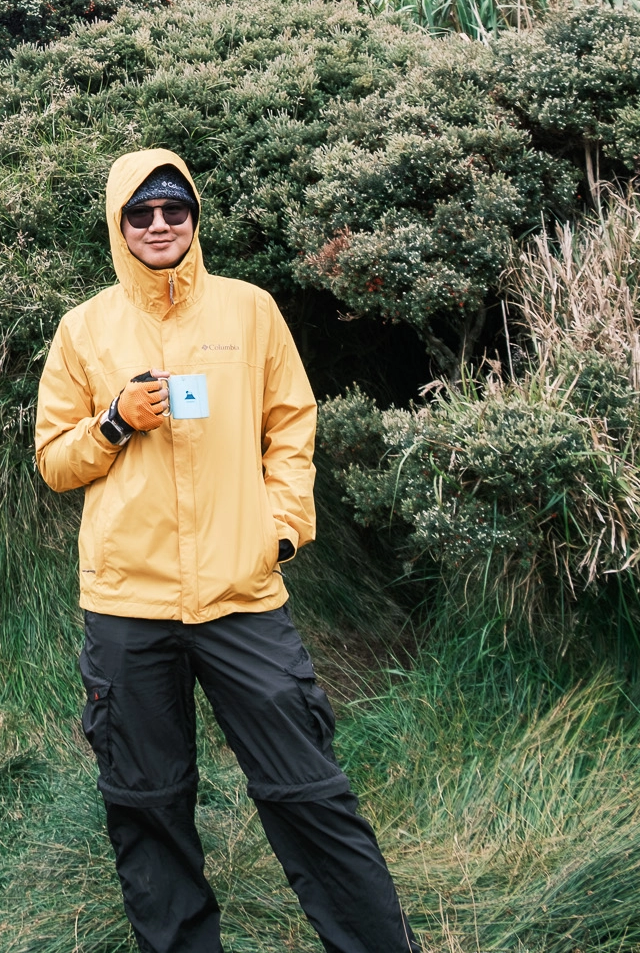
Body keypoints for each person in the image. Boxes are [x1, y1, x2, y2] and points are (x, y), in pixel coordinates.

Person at [35, 147, 418, 953]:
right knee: (147, 803)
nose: (159, 225)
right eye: (140, 214)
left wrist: (280, 528)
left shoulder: (248, 309)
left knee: (308, 790)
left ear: (194, 217)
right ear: (118, 226)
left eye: (174, 209)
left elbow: (292, 426)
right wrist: (112, 422)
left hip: (242, 596)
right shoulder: (85, 328)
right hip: (126, 605)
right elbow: (53, 460)